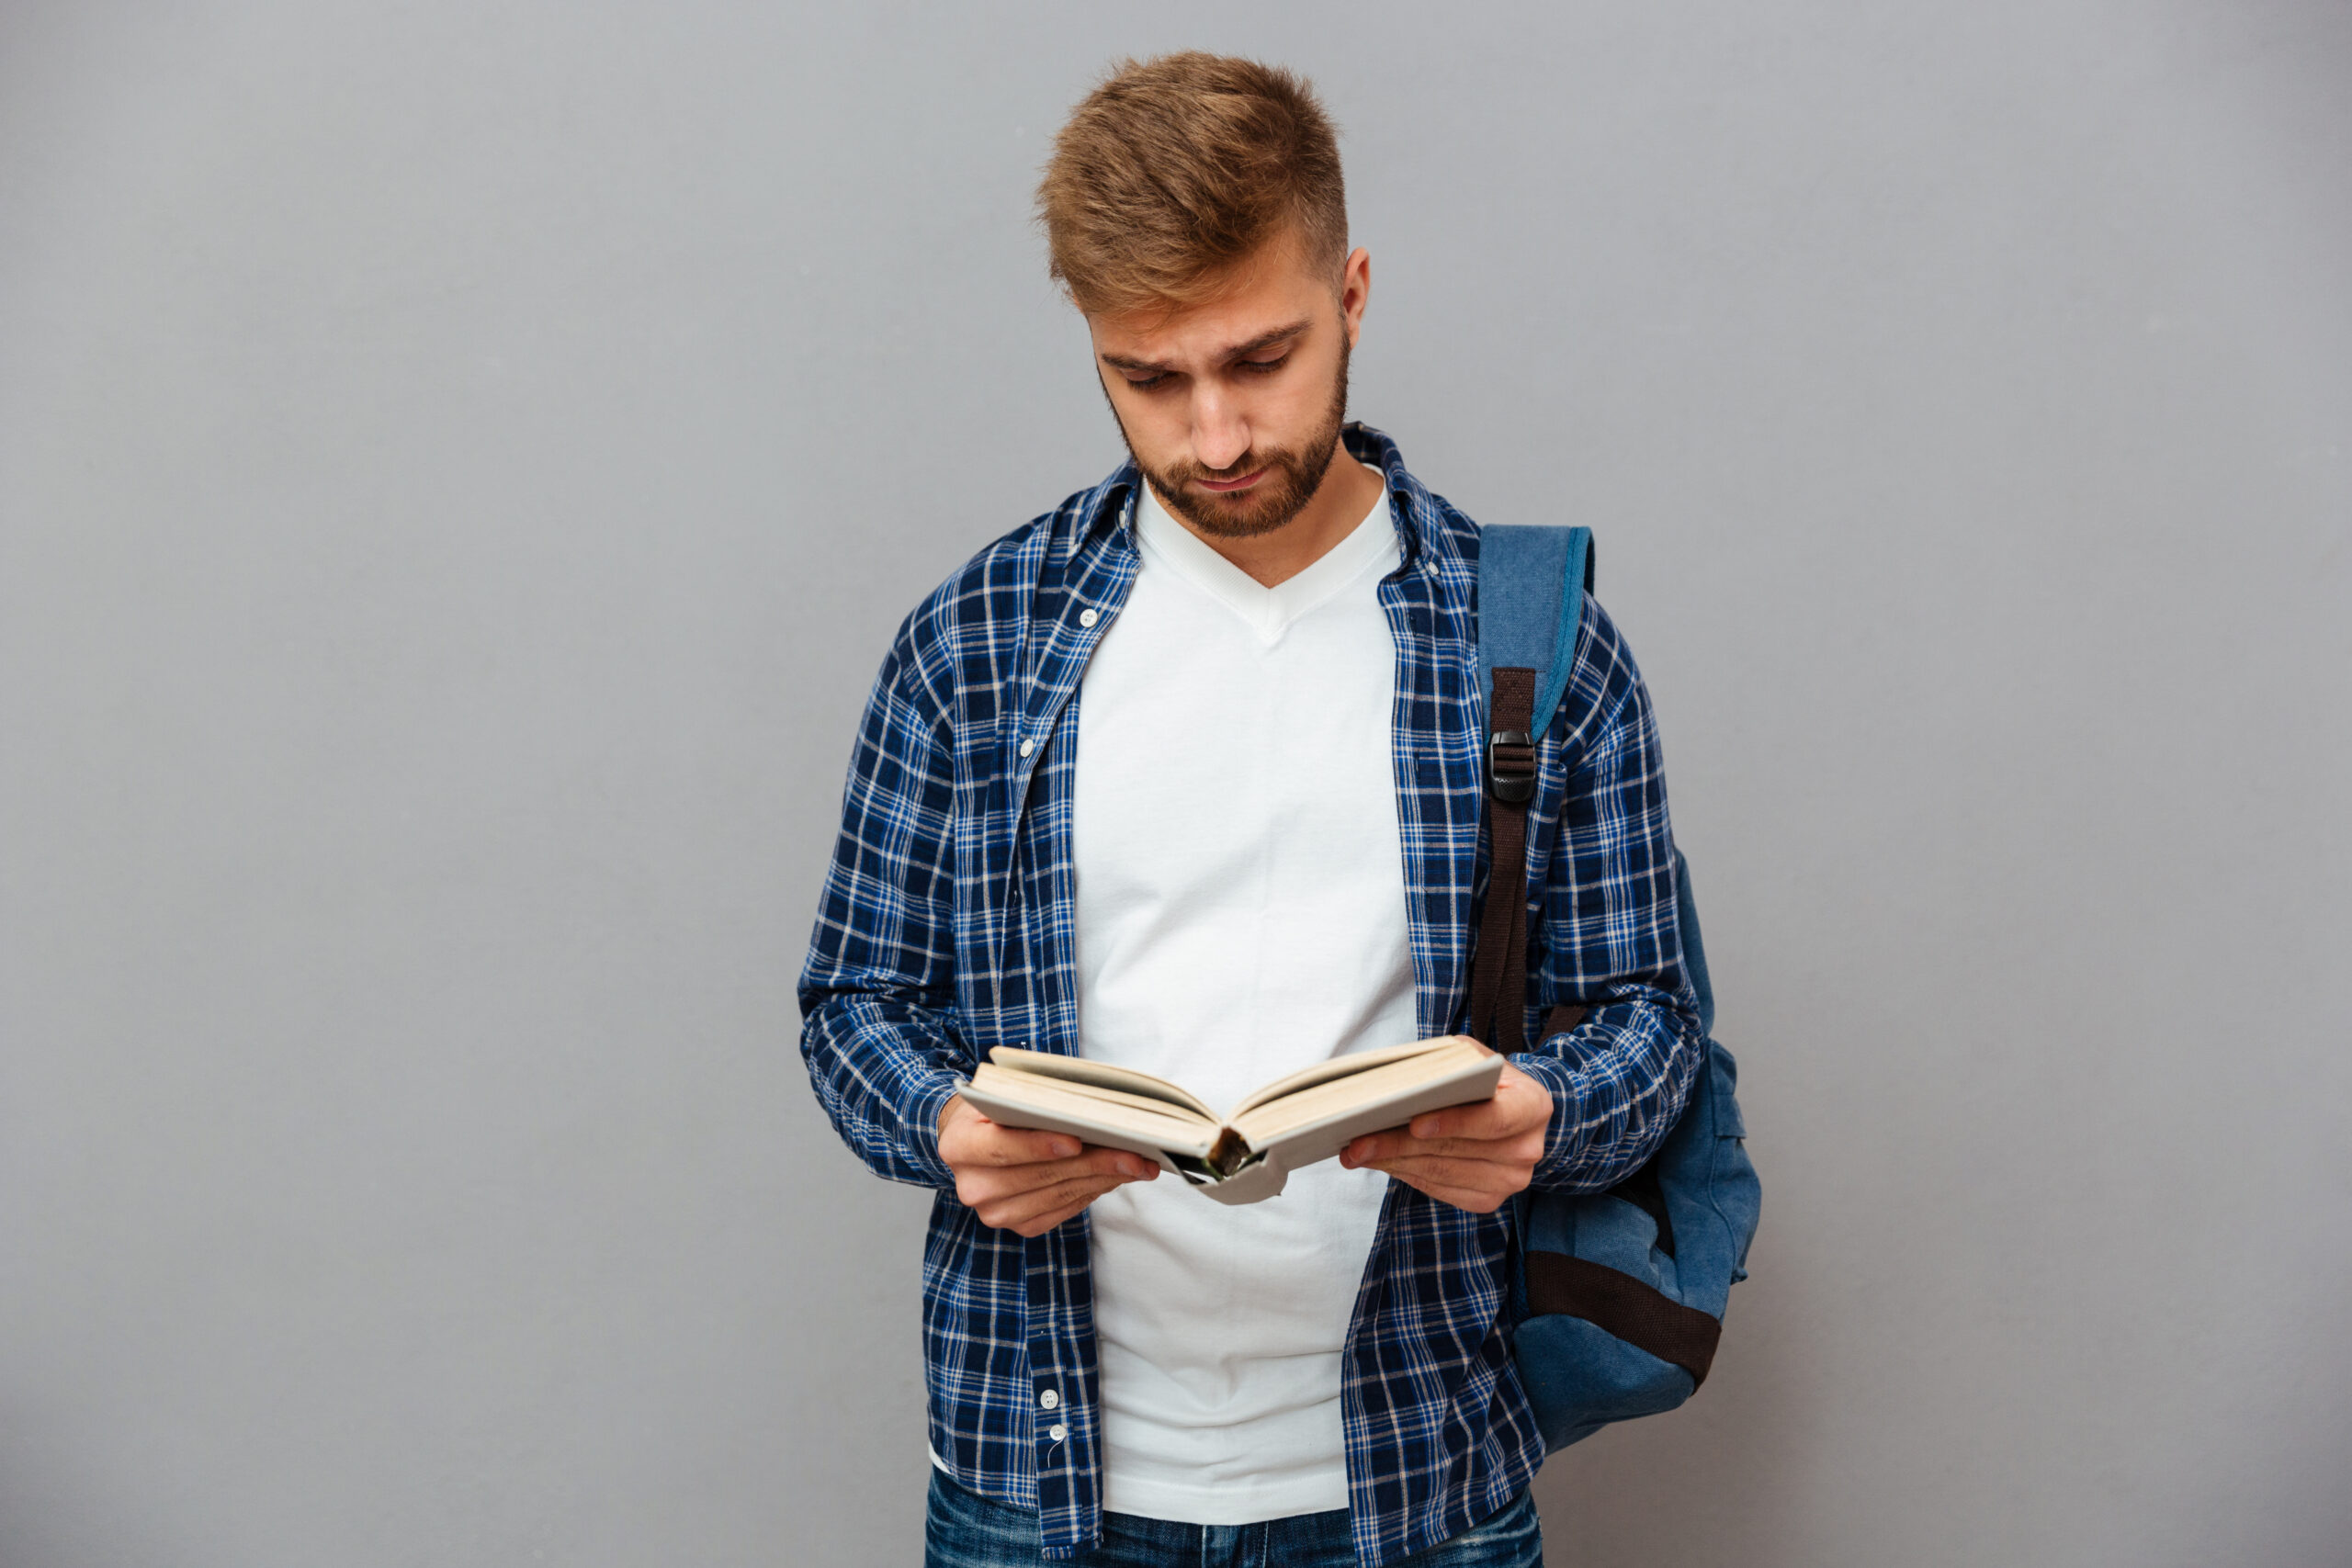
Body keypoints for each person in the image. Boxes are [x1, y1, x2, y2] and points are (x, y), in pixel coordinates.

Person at [799, 51, 1702, 1568]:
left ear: (1351, 295)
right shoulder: (979, 641)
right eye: (1148, 380)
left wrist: (1547, 1117)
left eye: (1259, 360)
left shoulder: (1528, 638)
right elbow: (852, 1003)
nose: (1213, 437)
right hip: (1038, 1490)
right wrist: (943, 1121)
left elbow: (1653, 1023)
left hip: (1419, 1485)